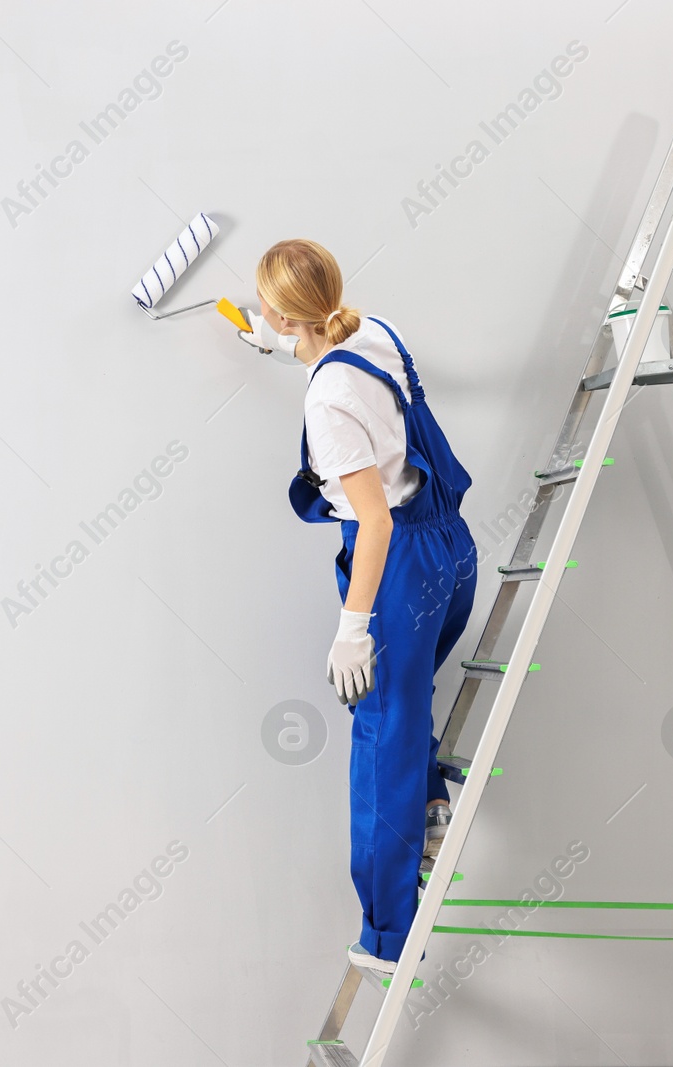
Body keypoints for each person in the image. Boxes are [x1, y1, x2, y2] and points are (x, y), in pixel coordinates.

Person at [240, 239, 477, 976]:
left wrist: (352, 628)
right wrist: (284, 344)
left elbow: (372, 522)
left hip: (396, 568)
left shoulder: (326, 402)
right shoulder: (375, 328)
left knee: (379, 740)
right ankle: (433, 803)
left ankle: (387, 935)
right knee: (403, 718)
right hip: (452, 552)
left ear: (285, 313)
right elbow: (347, 368)